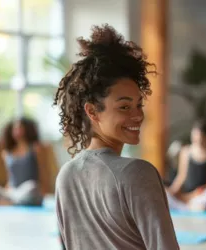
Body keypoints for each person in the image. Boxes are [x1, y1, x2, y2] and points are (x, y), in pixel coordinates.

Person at [54, 25, 179, 250]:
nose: (138, 115)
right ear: (92, 111)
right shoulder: (137, 173)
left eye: (138, 104)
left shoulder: (66, 175)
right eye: (124, 107)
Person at [0, 117, 46, 206]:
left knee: (32, 186)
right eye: (15, 128)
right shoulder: (6, 153)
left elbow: (42, 172)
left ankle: (7, 202)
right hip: (12, 192)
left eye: (20, 128)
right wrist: (5, 191)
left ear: (26, 130)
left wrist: (43, 192)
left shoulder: (35, 149)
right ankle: (11, 202)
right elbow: (10, 177)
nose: (17, 131)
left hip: (28, 190)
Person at [166, 120, 206, 212]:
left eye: (201, 136)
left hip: (202, 194)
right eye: (195, 135)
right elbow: (181, 176)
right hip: (186, 196)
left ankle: (191, 206)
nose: (198, 139)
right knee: (165, 194)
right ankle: (189, 207)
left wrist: (197, 192)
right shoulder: (186, 152)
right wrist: (172, 191)